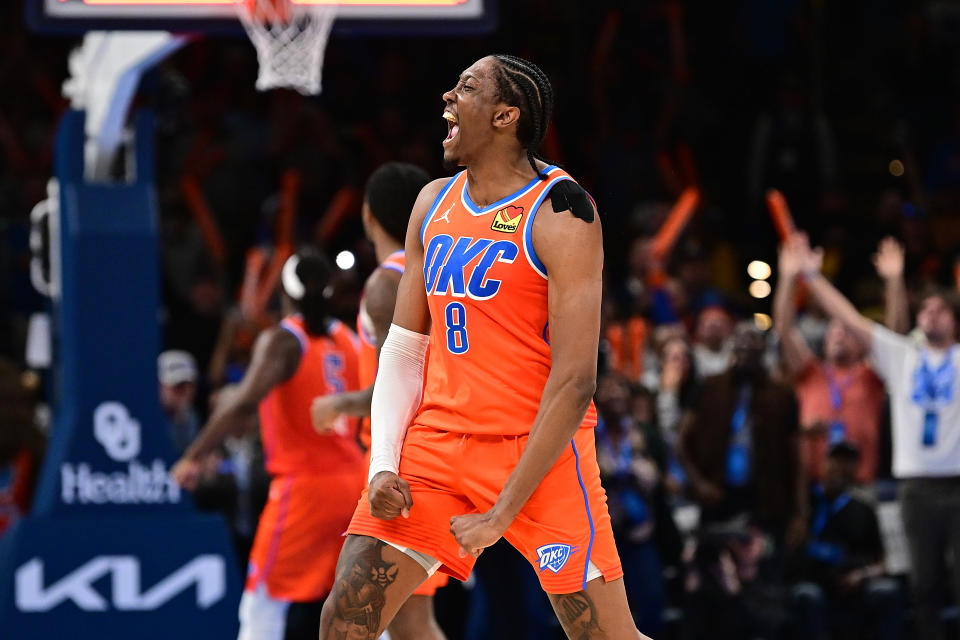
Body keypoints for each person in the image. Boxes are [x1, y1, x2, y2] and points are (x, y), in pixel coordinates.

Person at [319, 55, 647, 639]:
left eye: (466, 87)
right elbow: (403, 350)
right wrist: (383, 466)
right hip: (437, 448)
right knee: (345, 622)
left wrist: (501, 514)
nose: (448, 94)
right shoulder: (431, 203)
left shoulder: (562, 212)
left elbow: (576, 382)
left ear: (505, 115)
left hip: (539, 454)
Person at [172, 250, 365, 640]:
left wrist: (192, 455)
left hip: (305, 488)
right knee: (360, 604)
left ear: (285, 293)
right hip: (354, 482)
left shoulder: (283, 339)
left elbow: (244, 400)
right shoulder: (348, 337)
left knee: (262, 602)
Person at [789, 231, 960, 640]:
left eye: (941, 309)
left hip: (958, 484)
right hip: (914, 486)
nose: (930, 314)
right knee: (923, 587)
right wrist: (812, 278)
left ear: (955, 320)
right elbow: (850, 319)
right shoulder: (902, 356)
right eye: (926, 308)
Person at [309, 161, 449, 640]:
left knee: (354, 617)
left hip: (405, 459)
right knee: (409, 622)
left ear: (369, 217)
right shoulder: (436, 268)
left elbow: (406, 377)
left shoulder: (387, 283)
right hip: (425, 453)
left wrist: (338, 404)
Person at [774, 237, 889, 484]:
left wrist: (894, 281)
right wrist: (788, 278)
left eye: (847, 332)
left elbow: (895, 331)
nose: (838, 334)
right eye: (833, 330)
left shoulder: (872, 374)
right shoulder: (811, 371)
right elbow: (784, 329)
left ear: (861, 345)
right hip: (814, 482)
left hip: (860, 482)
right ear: (824, 341)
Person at [679, 324, 804, 539]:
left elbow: (796, 456)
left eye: (753, 340)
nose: (746, 345)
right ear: (733, 347)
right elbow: (681, 441)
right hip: (717, 493)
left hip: (766, 497)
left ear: (764, 349)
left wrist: (800, 513)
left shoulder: (781, 395)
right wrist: (698, 483)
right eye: (741, 340)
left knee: (763, 562)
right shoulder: (710, 386)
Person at [787, 441, 904, 640]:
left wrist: (862, 575)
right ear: (823, 465)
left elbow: (883, 562)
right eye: (835, 461)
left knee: (887, 591)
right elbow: (791, 553)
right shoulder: (807, 505)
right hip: (815, 582)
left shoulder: (863, 509)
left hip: (854, 582)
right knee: (807, 594)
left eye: (848, 463)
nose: (840, 469)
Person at [158, 349, 201, 455]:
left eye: (190, 386)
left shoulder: (191, 416)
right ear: (159, 385)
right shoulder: (143, 417)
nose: (186, 393)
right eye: (179, 386)